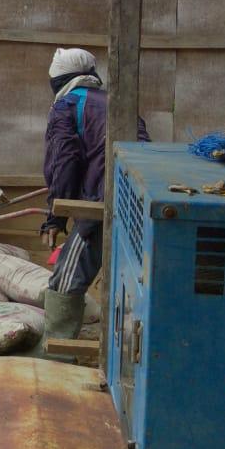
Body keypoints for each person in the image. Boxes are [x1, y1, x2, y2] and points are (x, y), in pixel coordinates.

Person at [39, 48, 148, 351]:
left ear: (58, 78)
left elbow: (63, 162)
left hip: (105, 200)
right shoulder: (114, 102)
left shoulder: (67, 104)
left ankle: (57, 351)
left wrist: (55, 217)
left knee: (67, 275)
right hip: (137, 195)